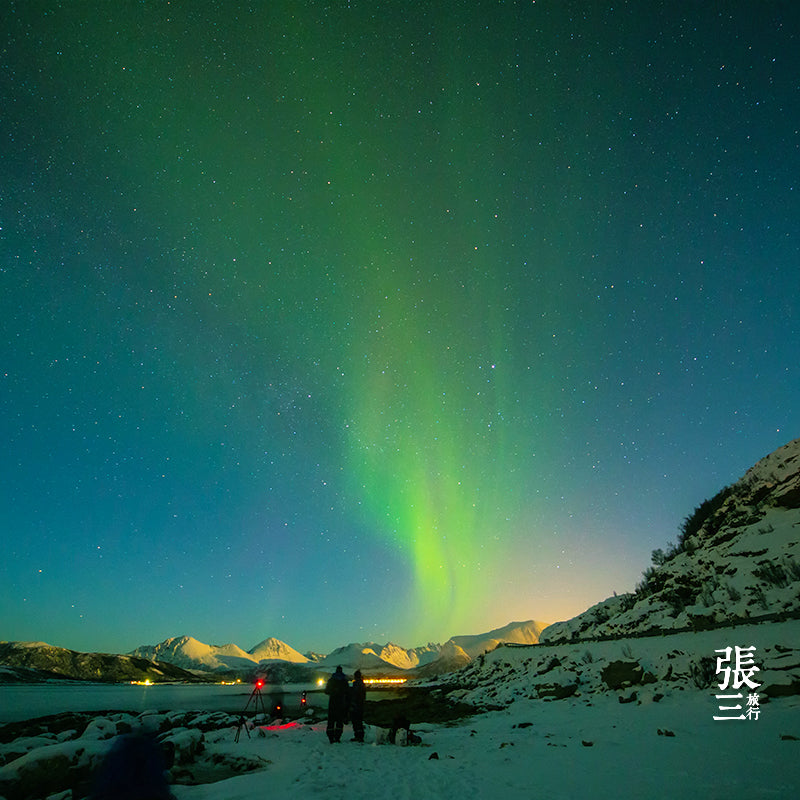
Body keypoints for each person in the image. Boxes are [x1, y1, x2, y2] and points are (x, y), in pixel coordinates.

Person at [324, 666, 349, 743]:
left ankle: (331, 737)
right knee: (339, 722)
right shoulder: (344, 681)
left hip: (332, 703)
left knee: (331, 722)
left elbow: (326, 691)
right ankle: (337, 737)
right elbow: (347, 692)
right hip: (341, 704)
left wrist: (333, 692)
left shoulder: (331, 680)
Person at [350, 669, 367, 742]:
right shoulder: (362, 684)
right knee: (359, 721)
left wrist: (352, 704)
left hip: (356, 706)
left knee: (356, 722)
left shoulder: (356, 684)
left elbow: (354, 695)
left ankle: (358, 736)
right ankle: (360, 736)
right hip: (361, 705)